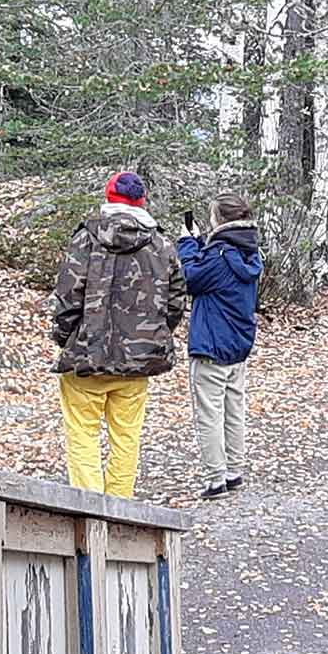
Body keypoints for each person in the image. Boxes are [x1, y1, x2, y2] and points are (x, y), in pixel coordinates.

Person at [49, 170, 187, 498]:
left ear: (109, 198)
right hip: (137, 361)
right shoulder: (162, 244)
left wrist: (65, 336)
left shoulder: (86, 238)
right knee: (126, 438)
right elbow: (176, 301)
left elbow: (68, 295)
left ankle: (89, 511)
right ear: (142, 201)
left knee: (82, 435)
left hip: (86, 356)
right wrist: (153, 336)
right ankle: (119, 510)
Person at [177, 193, 263, 500]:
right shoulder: (250, 253)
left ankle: (215, 479)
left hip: (212, 344)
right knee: (233, 409)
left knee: (209, 414)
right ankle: (234, 471)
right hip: (238, 344)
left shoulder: (218, 255)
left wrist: (187, 245)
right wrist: (201, 244)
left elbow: (191, 278)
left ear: (221, 221)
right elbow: (216, 270)